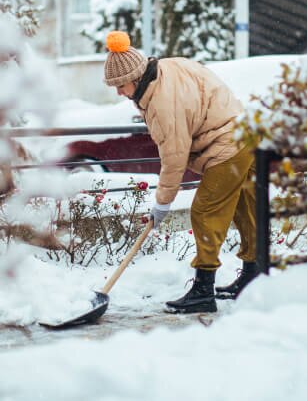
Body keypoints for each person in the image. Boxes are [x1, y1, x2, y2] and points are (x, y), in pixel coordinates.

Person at [102, 30, 259, 314]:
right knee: (244, 207)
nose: (118, 92)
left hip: (226, 144)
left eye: (120, 85)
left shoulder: (162, 104)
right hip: (244, 131)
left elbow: (174, 158)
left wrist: (162, 203)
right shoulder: (166, 68)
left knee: (205, 211)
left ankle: (203, 289)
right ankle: (254, 274)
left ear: (136, 78)